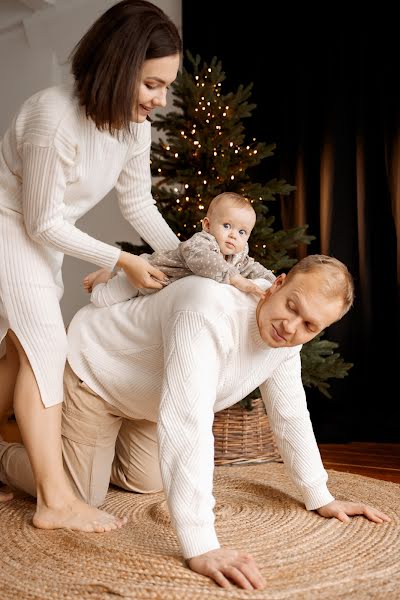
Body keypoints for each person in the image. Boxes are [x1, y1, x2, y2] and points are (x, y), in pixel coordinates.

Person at [0, 255, 391, 589]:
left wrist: (319, 495)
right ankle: (5, 455)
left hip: (144, 398)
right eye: (293, 306)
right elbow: (187, 420)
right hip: (96, 371)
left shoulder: (286, 343)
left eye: (310, 326)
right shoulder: (206, 307)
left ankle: (87, 447)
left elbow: (289, 415)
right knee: (82, 495)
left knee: (147, 481)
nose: (291, 328)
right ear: (277, 283)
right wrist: (201, 544)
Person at [0, 0, 183, 529]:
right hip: (11, 226)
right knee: (43, 348)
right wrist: (123, 260)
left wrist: (188, 259)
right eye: (152, 84)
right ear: (119, 66)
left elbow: (138, 204)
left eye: (165, 85)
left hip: (42, 232)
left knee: (15, 352)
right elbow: (39, 222)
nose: (160, 99)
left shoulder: (131, 125)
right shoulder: (52, 116)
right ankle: (55, 503)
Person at [83, 192, 276, 306]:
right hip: (146, 273)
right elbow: (205, 262)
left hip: (160, 290)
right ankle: (104, 276)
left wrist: (275, 283)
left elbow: (253, 268)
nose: (234, 235)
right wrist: (236, 279)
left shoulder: (238, 256)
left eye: (242, 232)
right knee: (101, 300)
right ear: (207, 225)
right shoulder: (200, 243)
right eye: (227, 226)